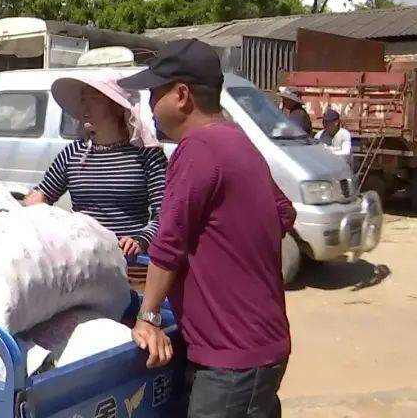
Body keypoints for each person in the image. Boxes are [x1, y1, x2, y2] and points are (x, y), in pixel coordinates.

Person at [119, 39, 296, 418]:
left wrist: (148, 317)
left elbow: (168, 245)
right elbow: (284, 213)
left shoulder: (196, 148)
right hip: (258, 345)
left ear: (181, 95)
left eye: (154, 94)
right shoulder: (238, 142)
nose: (149, 106)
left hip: (232, 358)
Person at [25, 74, 166, 258]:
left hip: (127, 262)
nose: (84, 107)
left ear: (117, 107)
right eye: (83, 100)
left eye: (93, 99)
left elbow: (164, 214)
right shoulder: (73, 153)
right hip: (81, 260)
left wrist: (140, 240)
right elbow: (41, 196)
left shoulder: (147, 154)